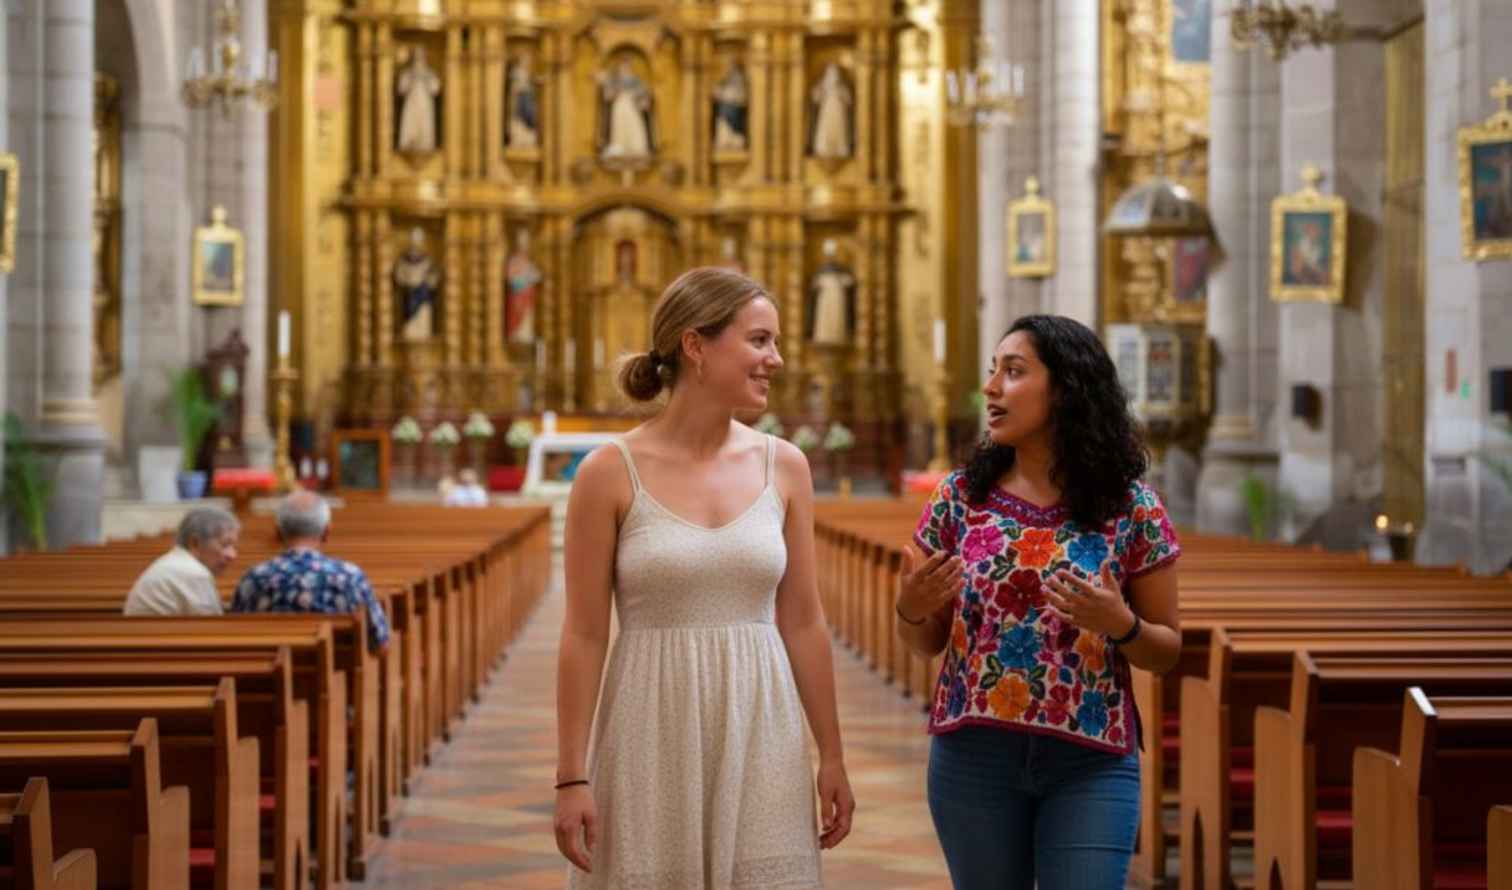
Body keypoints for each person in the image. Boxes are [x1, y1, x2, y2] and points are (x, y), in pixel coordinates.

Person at [554, 267, 855, 888]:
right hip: (649, 725)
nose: (776, 358)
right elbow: (584, 635)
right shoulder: (609, 472)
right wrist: (571, 775)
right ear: (695, 346)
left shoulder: (786, 467)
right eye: (759, 340)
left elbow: (803, 621)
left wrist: (832, 755)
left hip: (761, 722)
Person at [897, 314, 1182, 890]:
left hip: (1090, 758)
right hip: (974, 757)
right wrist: (911, 607)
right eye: (993, 371)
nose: (992, 387)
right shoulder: (960, 498)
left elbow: (1166, 651)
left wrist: (1120, 624)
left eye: (1014, 371)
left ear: (1067, 388)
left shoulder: (1132, 507)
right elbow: (926, 643)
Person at [230, 491, 391, 651]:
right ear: (327, 532)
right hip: (335, 672)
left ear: (278, 533)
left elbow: (235, 635)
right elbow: (380, 643)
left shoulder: (254, 577)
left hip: (267, 674)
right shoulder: (349, 576)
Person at [124, 507, 240, 616]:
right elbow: (214, 628)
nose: (232, 555)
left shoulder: (175, 561)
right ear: (195, 543)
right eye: (225, 545)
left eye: (233, 546)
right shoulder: (193, 573)